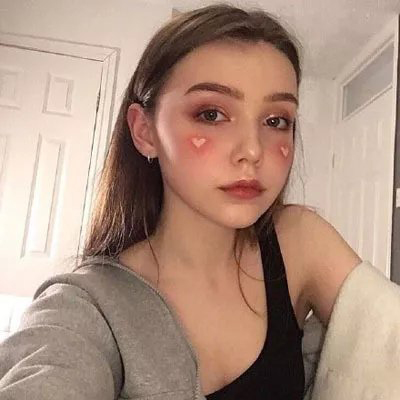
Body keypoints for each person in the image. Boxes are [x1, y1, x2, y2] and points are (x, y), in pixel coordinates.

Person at [0, 3, 388, 399]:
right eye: (212, 114)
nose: (252, 151)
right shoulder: (84, 306)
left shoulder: (298, 242)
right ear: (145, 131)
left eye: (276, 121)